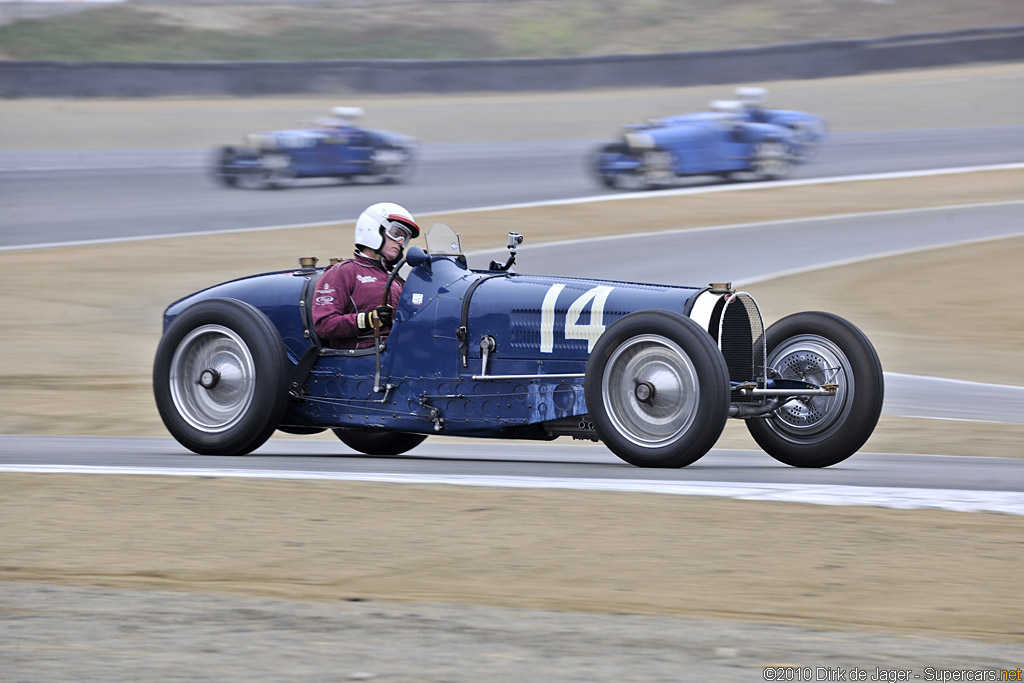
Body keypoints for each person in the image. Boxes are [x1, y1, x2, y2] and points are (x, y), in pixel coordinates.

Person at [312, 202, 420, 350]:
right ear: (373, 229)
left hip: (397, 353)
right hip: (361, 358)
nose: (401, 242)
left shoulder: (396, 279)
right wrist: (369, 319)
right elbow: (324, 325)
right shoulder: (343, 272)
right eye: (396, 233)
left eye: (405, 238)